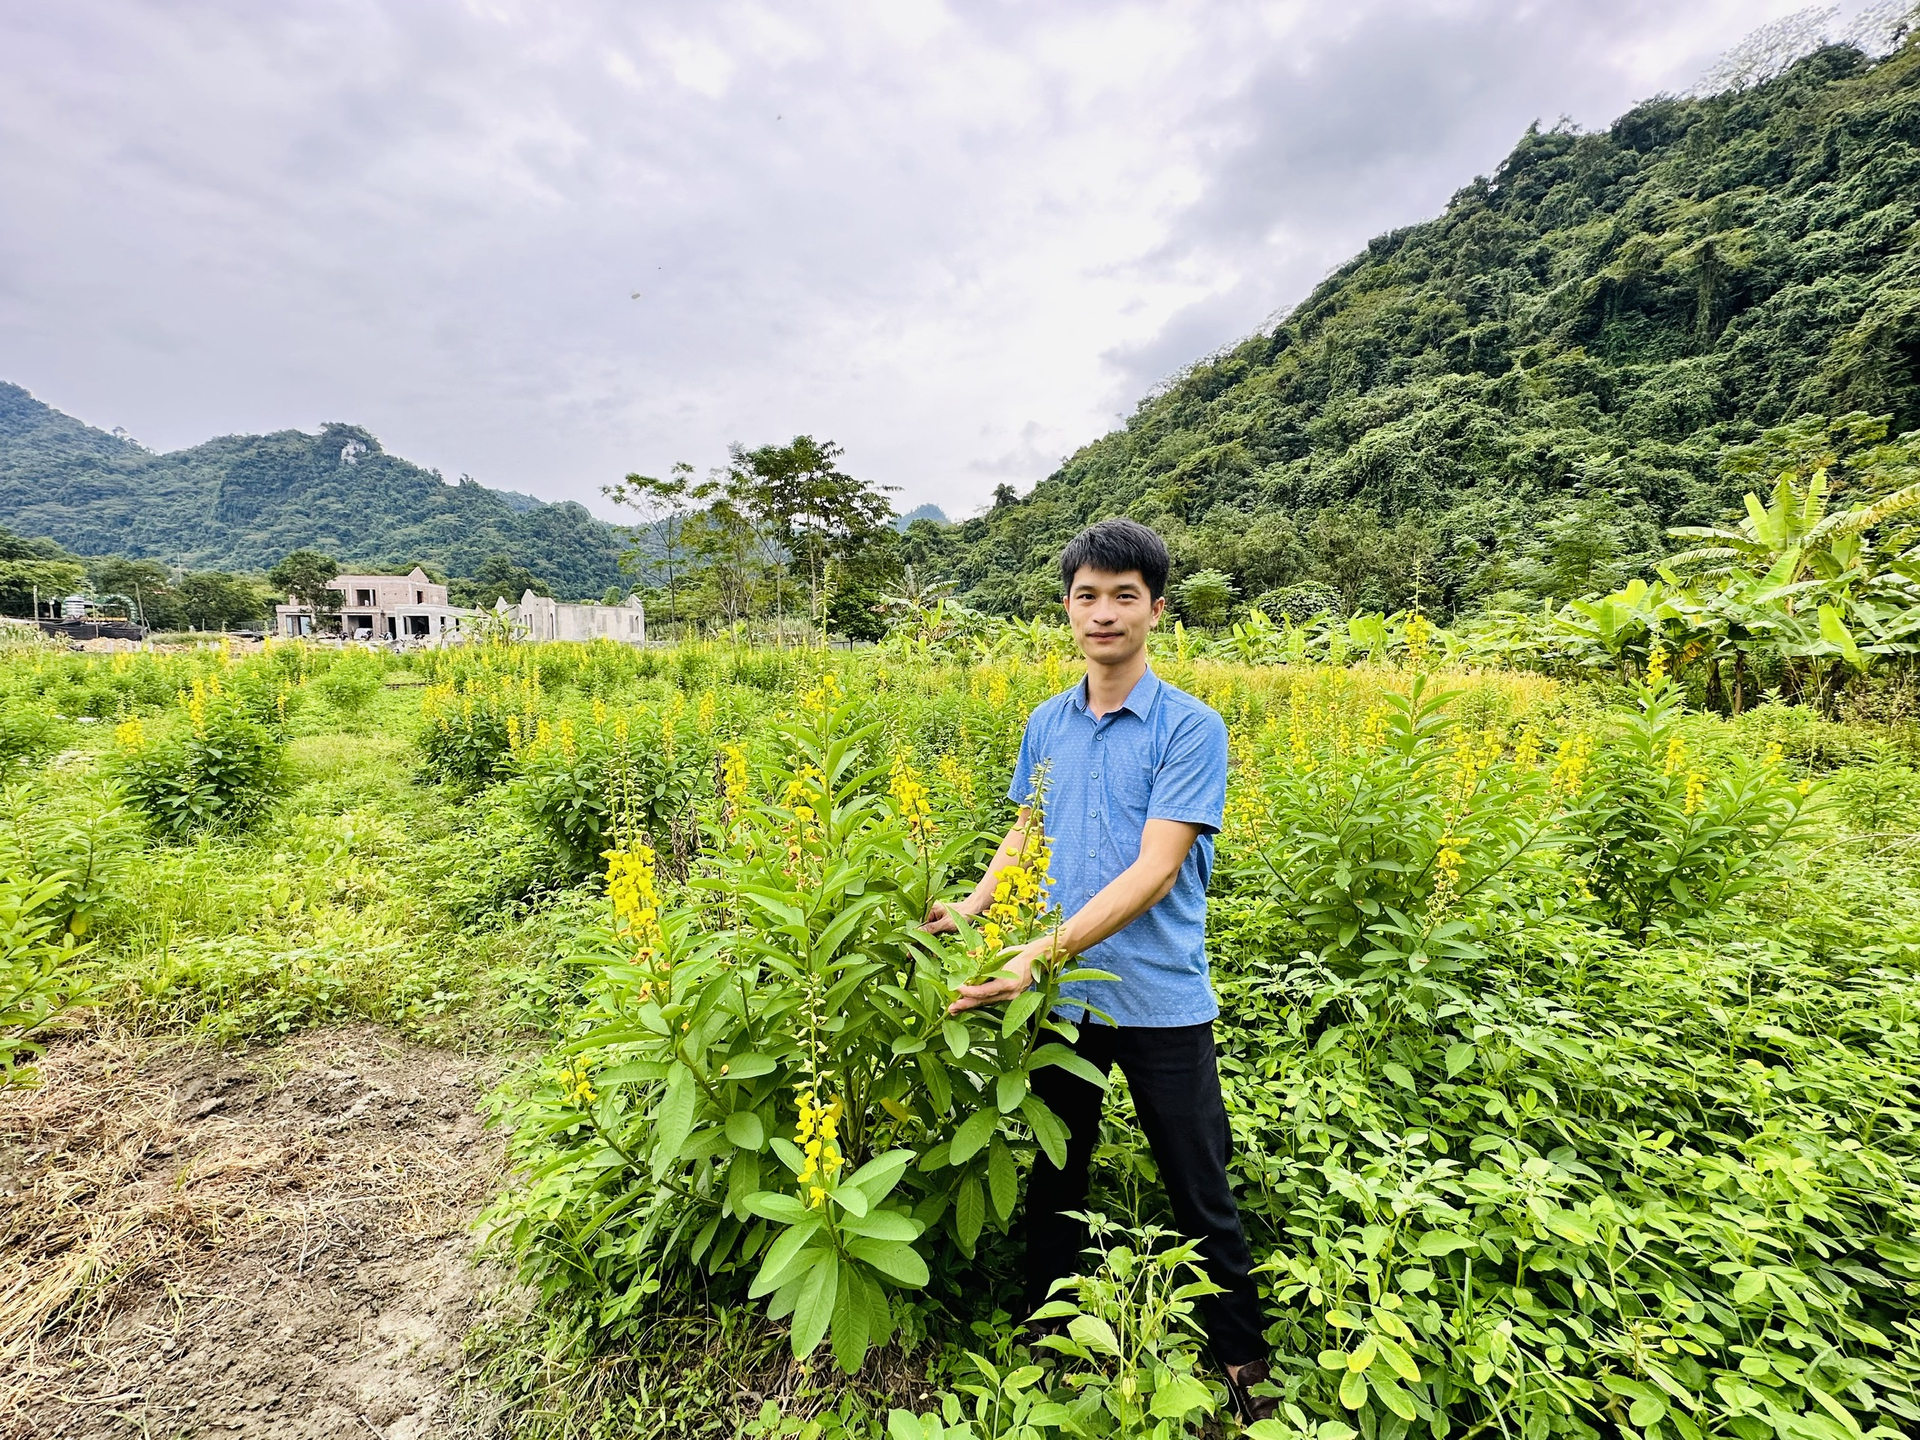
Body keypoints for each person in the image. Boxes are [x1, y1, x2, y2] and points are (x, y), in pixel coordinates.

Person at [923, 517, 1275, 1423]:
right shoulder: (1047, 721)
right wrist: (974, 908)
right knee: (1056, 1168)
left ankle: (1242, 1359)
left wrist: (1036, 950)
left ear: (1157, 610)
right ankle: (1048, 1329)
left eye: (1125, 595)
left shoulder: (1192, 728)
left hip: (1157, 995)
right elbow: (1026, 832)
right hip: (1058, 995)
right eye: (1088, 595)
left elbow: (1158, 869)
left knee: (1198, 1181)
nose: (1104, 612)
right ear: (1068, 609)